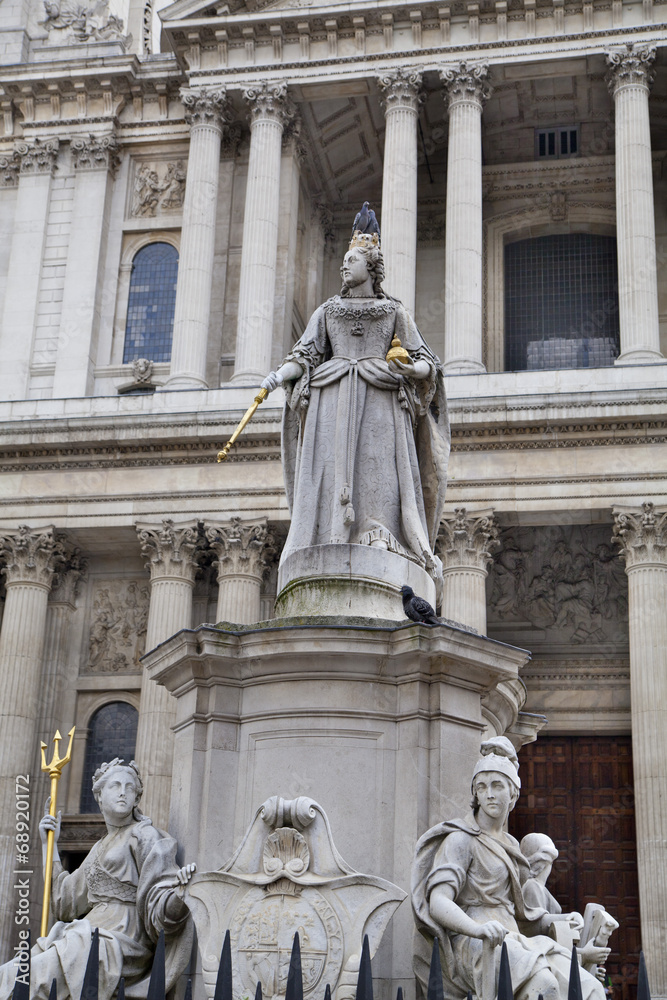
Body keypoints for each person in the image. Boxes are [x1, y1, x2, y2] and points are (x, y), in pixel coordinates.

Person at [261, 231, 449, 582]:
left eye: (352, 261)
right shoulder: (327, 310)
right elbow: (304, 354)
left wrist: (410, 369)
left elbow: (427, 361)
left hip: (381, 396)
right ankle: (328, 533)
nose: (345, 267)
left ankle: (380, 533)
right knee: (330, 465)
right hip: (331, 396)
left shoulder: (393, 311)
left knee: (377, 467)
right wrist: (277, 376)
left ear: (371, 266)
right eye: (344, 261)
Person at [411, 738, 608, 1000]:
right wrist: (476, 929)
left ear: (512, 792)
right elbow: (437, 902)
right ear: (475, 795)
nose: (489, 793)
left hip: (514, 936)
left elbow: (521, 914)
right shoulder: (461, 839)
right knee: (544, 985)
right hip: (475, 939)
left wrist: (559, 919)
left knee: (589, 988)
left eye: (497, 785)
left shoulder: (511, 845)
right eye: (481, 787)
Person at [0, 758, 196, 1000]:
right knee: (12, 973)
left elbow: (161, 892)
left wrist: (178, 895)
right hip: (86, 934)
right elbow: (65, 902)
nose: (123, 793)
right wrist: (48, 844)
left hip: (120, 939)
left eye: (130, 788)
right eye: (115, 786)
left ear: (137, 799)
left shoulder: (145, 835)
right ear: (100, 796)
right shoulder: (98, 848)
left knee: (32, 976)